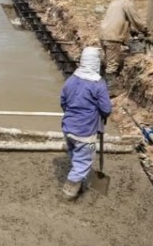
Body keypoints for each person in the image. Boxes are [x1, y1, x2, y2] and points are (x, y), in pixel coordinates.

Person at [60, 47, 112, 200]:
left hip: (68, 129)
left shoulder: (70, 80)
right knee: (86, 157)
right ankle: (69, 192)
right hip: (86, 133)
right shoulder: (98, 84)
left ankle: (80, 176)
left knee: (76, 153)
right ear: (96, 63)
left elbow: (63, 102)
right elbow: (106, 109)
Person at [99, 0, 148, 78]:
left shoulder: (113, 3)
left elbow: (116, 20)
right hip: (113, 37)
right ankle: (110, 89)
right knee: (112, 65)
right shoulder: (127, 4)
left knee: (108, 60)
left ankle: (103, 81)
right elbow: (136, 21)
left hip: (103, 35)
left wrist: (130, 30)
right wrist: (145, 30)